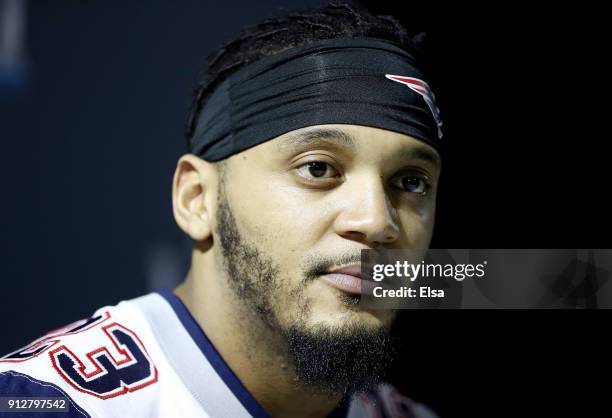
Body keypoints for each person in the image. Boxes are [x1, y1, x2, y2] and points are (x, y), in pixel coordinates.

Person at [0, 2, 443, 417]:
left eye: (411, 182)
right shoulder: (41, 403)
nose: (377, 221)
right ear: (197, 199)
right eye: (317, 168)